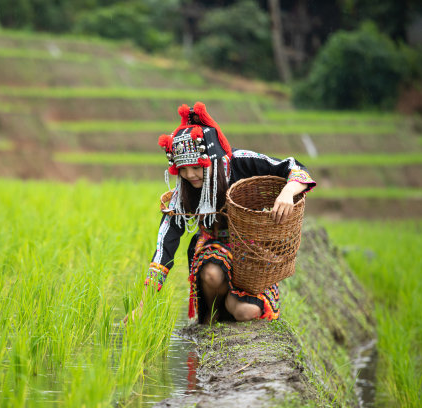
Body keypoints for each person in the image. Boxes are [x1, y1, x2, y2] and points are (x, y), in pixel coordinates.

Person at [126, 102, 316, 325]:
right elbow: (165, 245)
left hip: (251, 254)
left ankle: (232, 303)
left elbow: (295, 167)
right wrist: (143, 304)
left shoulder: (241, 162)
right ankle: (210, 316)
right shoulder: (184, 192)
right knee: (212, 274)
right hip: (213, 251)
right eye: (183, 170)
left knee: (246, 313)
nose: (189, 175)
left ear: (213, 162)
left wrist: (287, 192)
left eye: (197, 167)